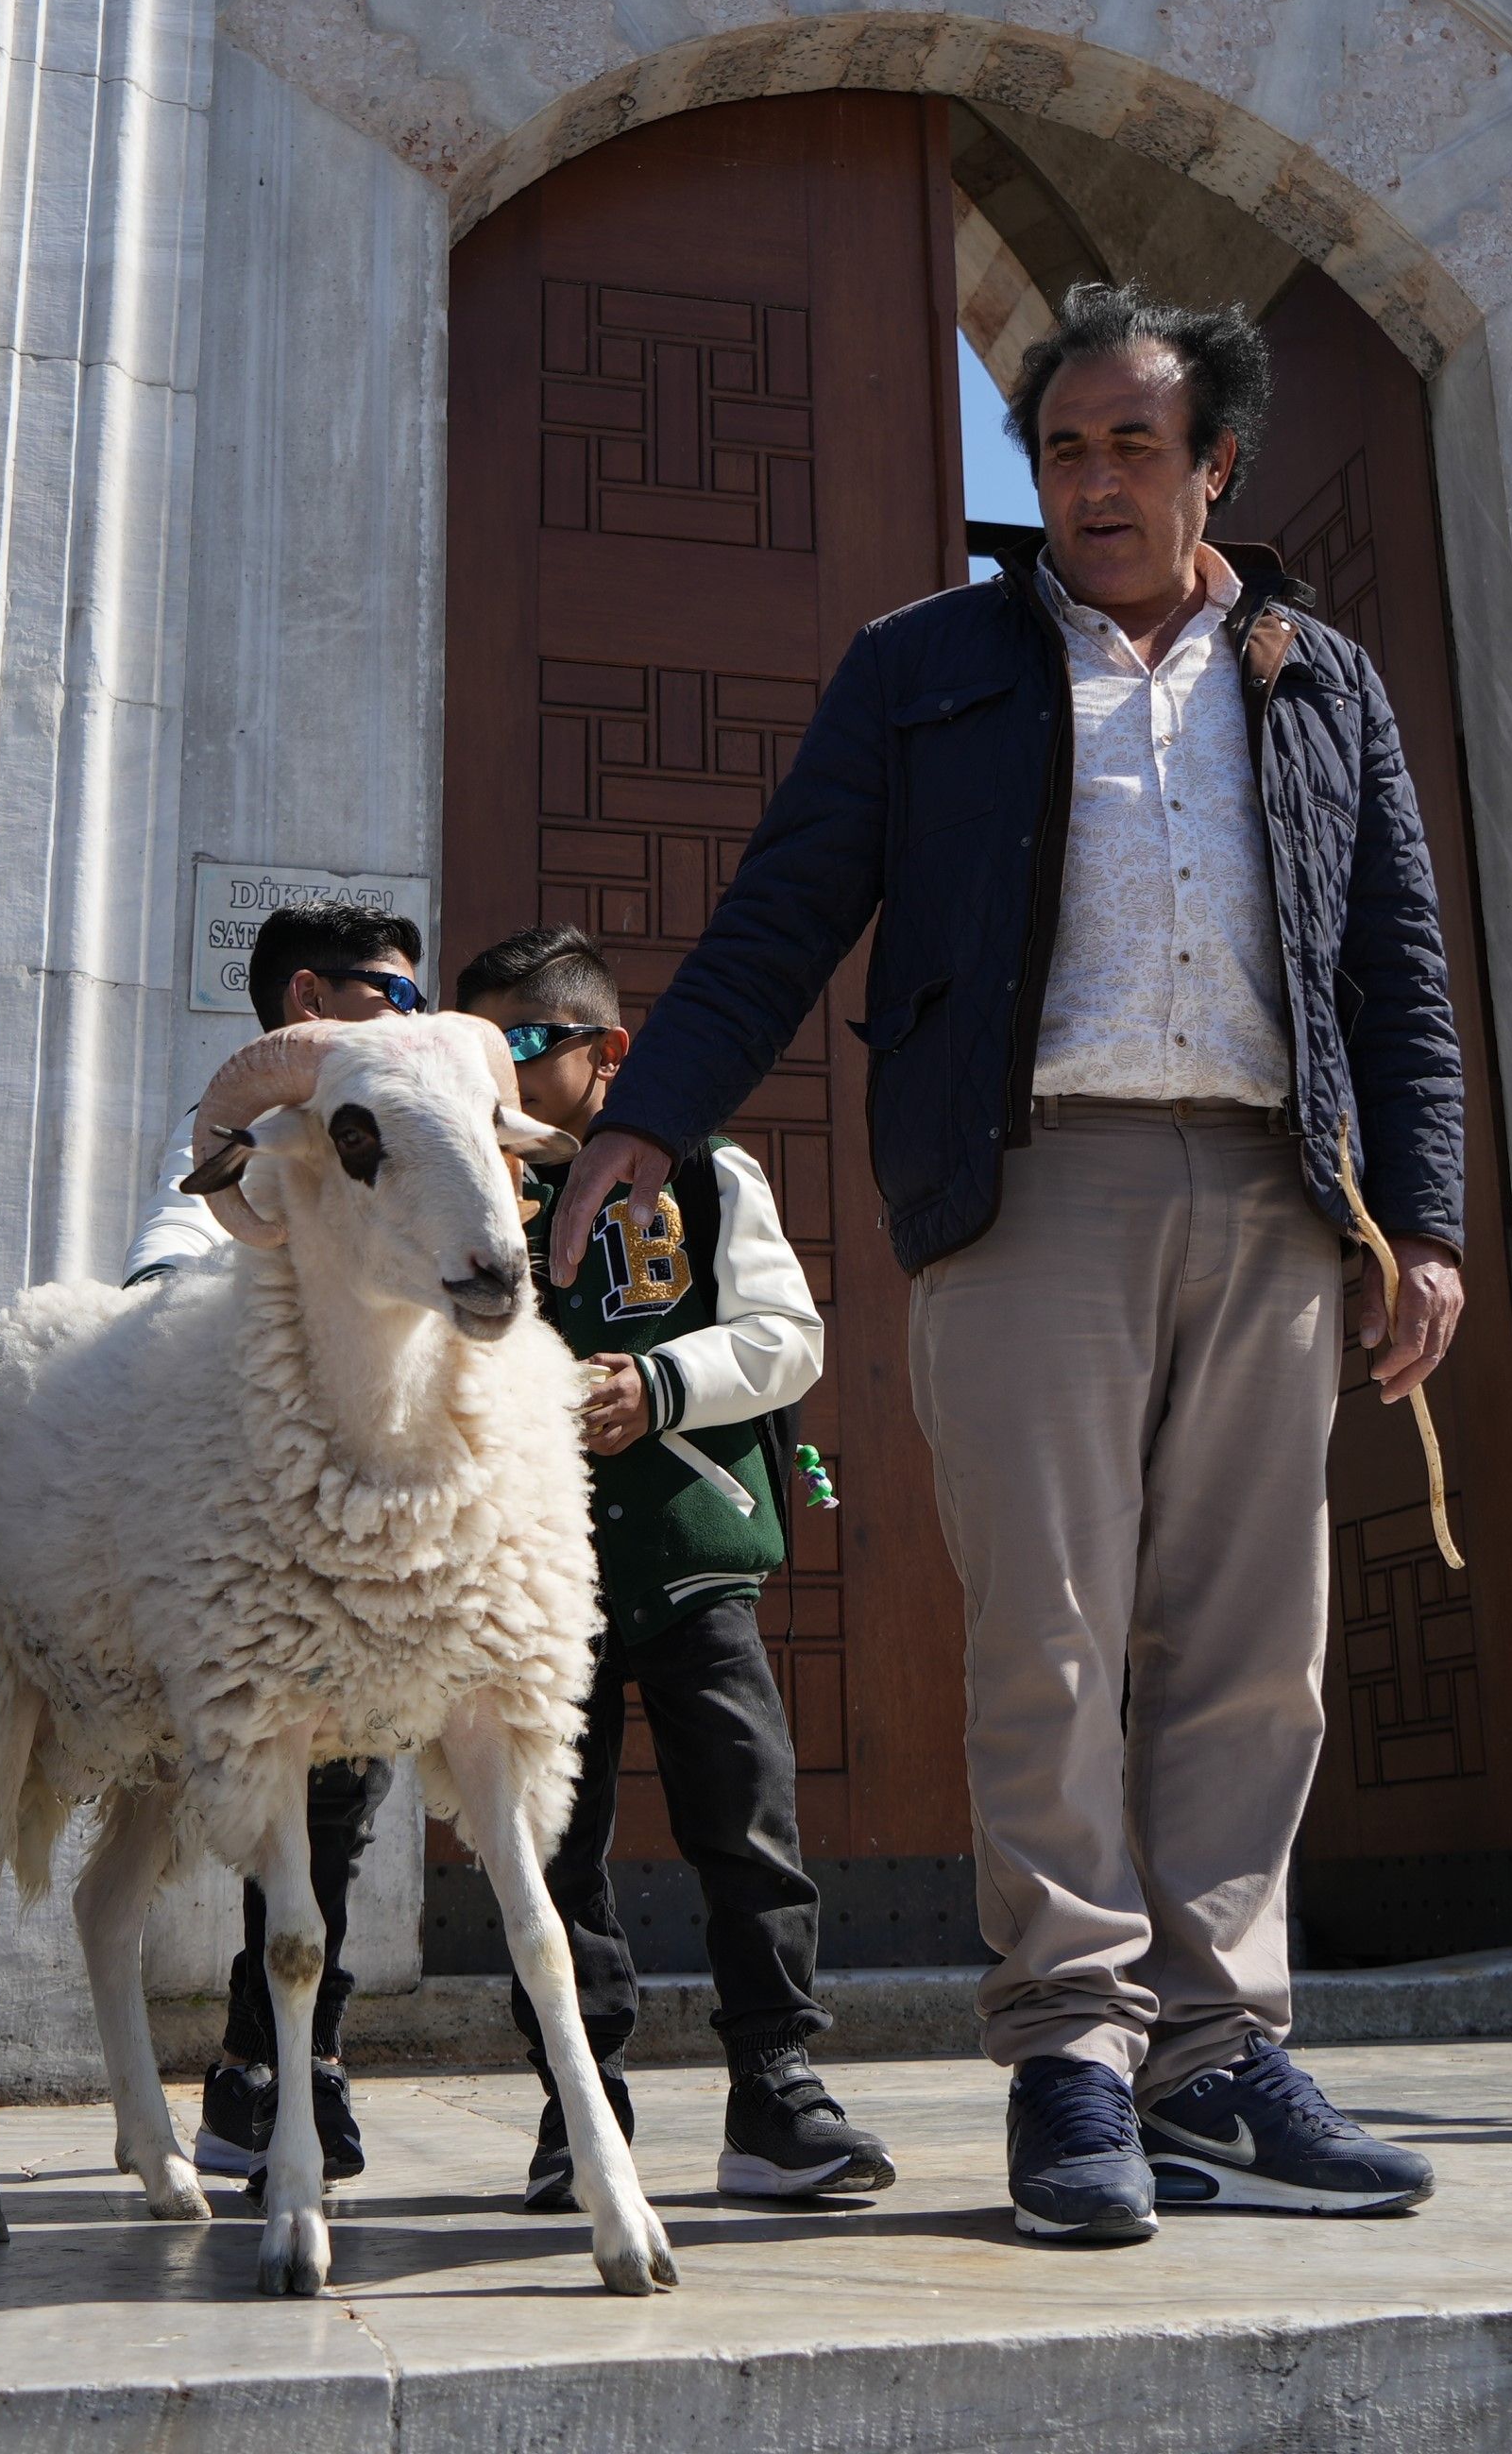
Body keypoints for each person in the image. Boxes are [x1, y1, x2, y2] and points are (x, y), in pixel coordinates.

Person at [552, 280, 1465, 2244]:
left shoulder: (1325, 681)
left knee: (1253, 1653)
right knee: (1049, 1631)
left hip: (1279, 1197)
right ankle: (1073, 2057)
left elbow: (1397, 968)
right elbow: (789, 902)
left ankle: (1220, 2058)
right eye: (1064, 446)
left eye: (1139, 443)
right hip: (1031, 1188)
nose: (1097, 478)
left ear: (1216, 464)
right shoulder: (929, 665)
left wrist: (1433, 1222)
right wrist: (652, 1116)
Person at [457, 927, 897, 2209]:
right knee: (556, 1850)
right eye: (485, 1048)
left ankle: (777, 2091)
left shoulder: (708, 1178)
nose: (504, 1075)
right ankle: (578, 2108)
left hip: (696, 1559)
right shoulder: (468, 1189)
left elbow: (787, 1338)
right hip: (538, 1585)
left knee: (748, 1822)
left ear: (609, 1051)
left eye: (526, 1046)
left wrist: (659, 1386)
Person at [128, 897, 429, 2186]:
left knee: (347, 1798)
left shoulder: (409, 1143)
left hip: (376, 1538)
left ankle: (289, 2058)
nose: (414, 1019)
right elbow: (160, 1269)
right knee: (301, 1798)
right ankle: (265, 2070)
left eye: (421, 1001)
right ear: (309, 1000)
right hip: (259, 1545)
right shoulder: (250, 1140)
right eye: (390, 995)